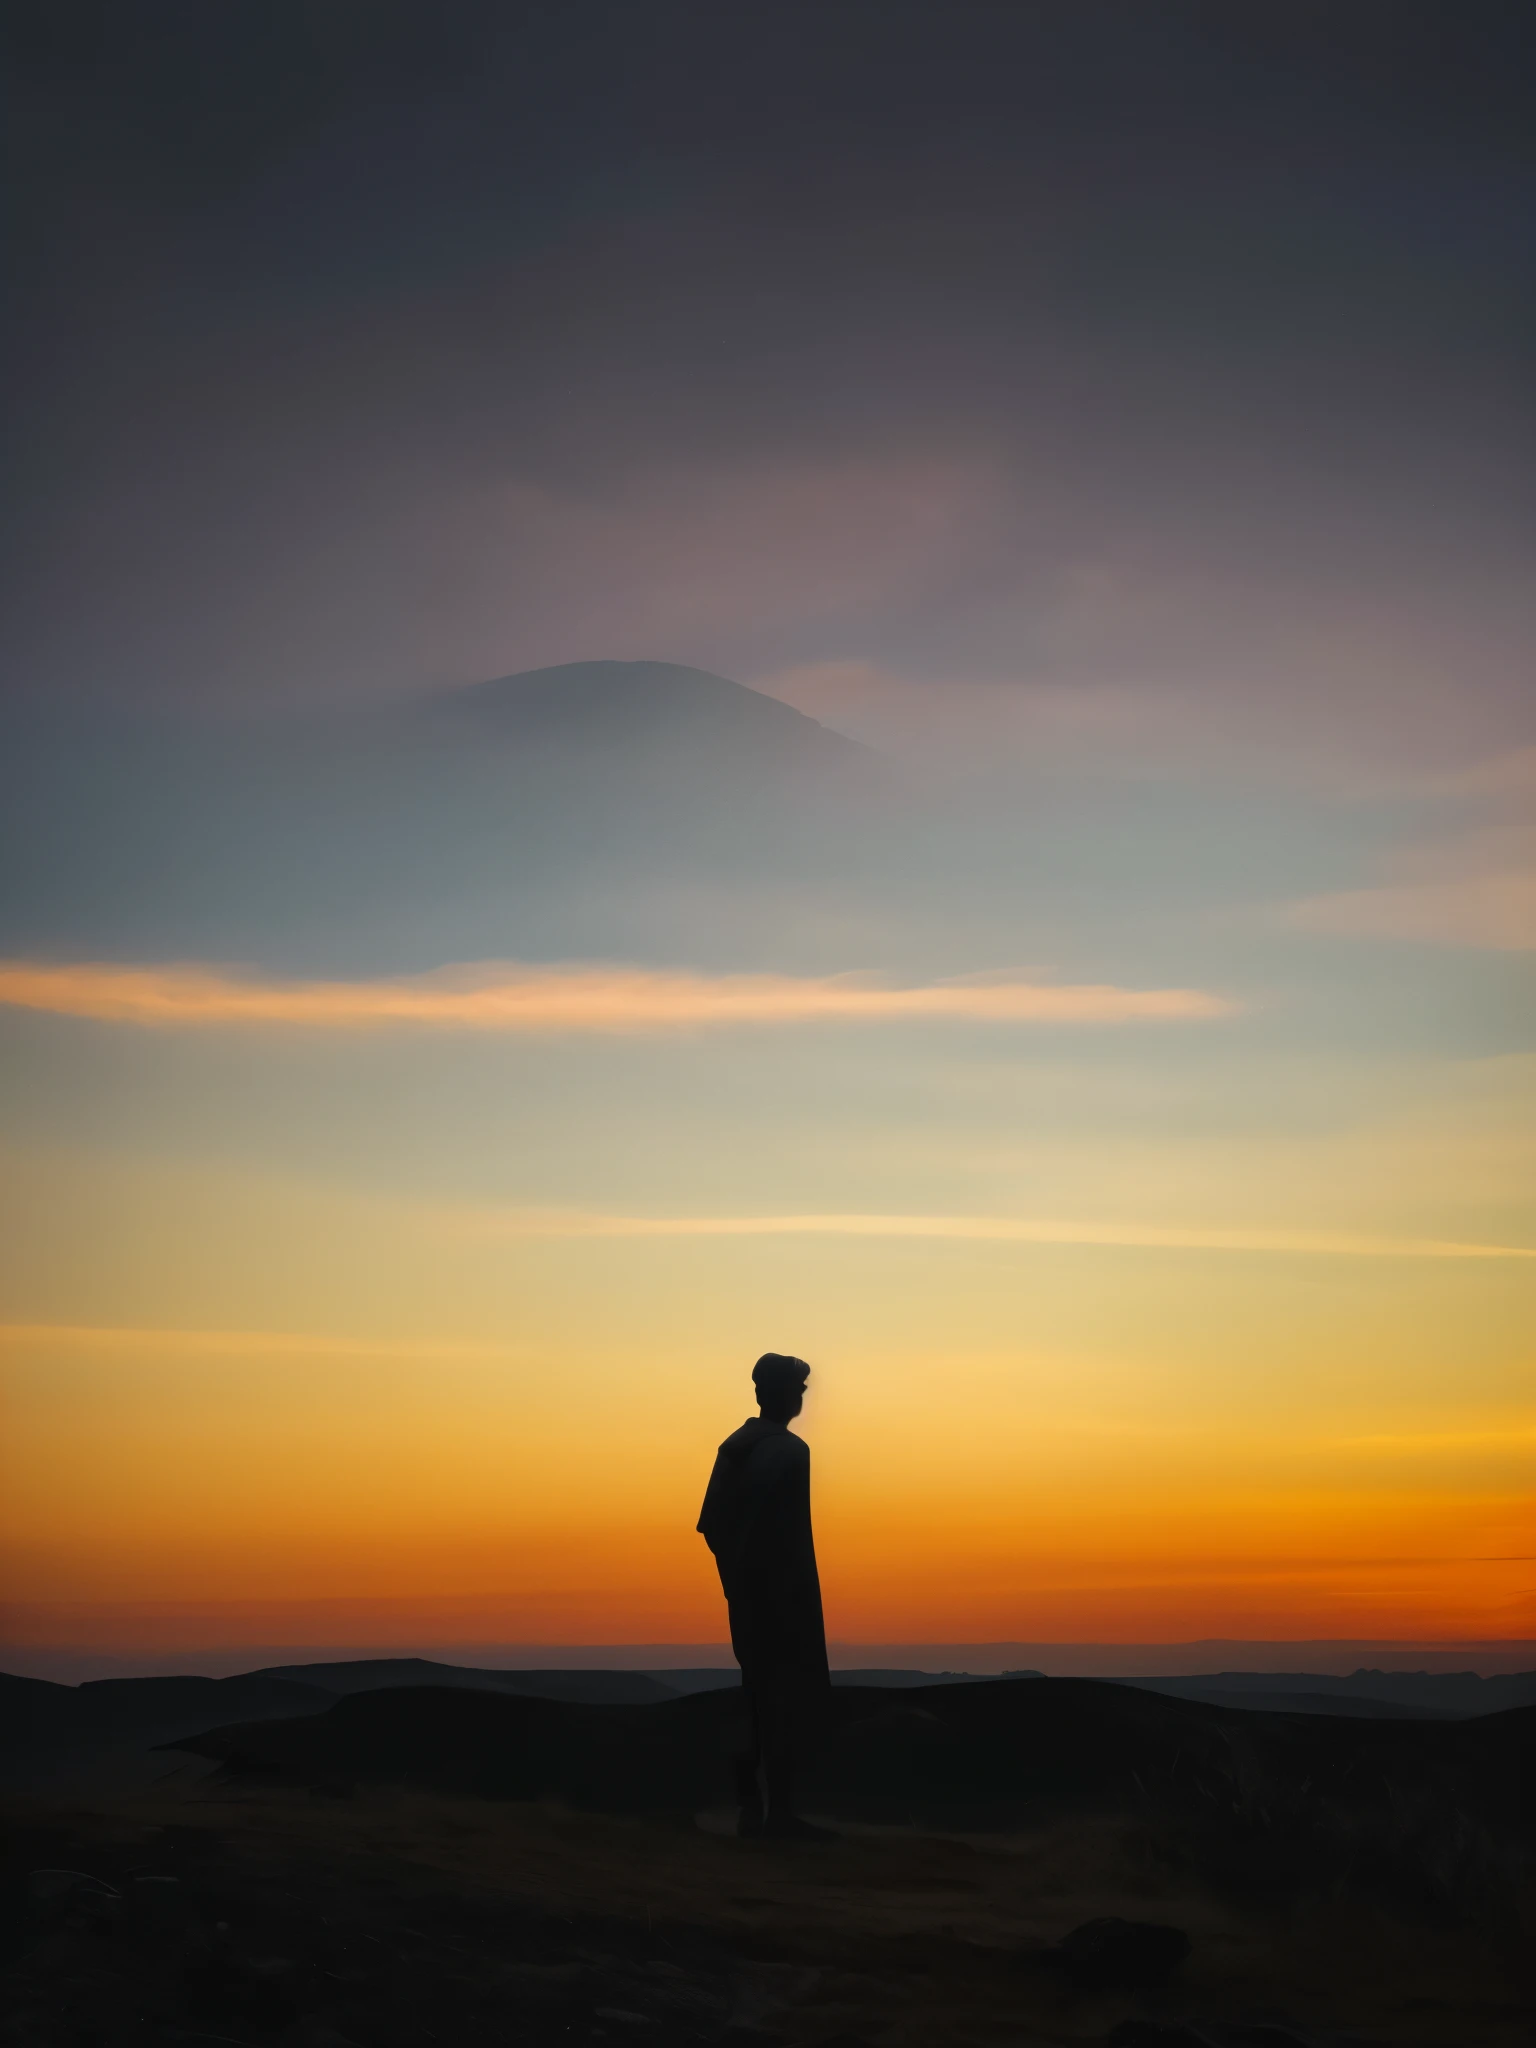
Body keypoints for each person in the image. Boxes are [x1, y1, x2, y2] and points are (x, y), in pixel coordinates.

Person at [697, 1352, 834, 1838]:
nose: (801, 1399)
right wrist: (771, 1580)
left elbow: (710, 1524)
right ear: (775, 1393)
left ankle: (751, 1811)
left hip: (749, 1597)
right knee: (780, 1703)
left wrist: (738, 1578)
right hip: (783, 1598)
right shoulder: (788, 1450)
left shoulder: (735, 1445)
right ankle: (777, 1816)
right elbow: (771, 1528)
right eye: (796, 1390)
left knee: (755, 1699)